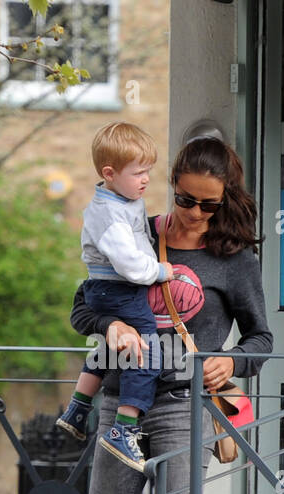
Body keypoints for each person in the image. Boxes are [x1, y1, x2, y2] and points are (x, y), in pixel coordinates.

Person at [71, 136, 272, 494]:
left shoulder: (233, 259)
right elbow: (82, 307)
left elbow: (262, 341)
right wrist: (110, 324)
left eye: (208, 205)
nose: (194, 213)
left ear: (224, 200)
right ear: (172, 186)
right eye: (185, 198)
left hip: (183, 409)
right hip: (119, 406)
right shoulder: (132, 227)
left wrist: (231, 362)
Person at [56, 122, 181, 473]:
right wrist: (160, 272)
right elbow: (130, 264)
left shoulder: (122, 201)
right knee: (149, 353)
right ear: (109, 174)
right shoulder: (109, 214)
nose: (146, 180)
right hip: (120, 290)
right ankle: (123, 429)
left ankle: (78, 409)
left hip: (105, 290)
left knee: (110, 348)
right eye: (138, 173)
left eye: (148, 172)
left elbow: (137, 235)